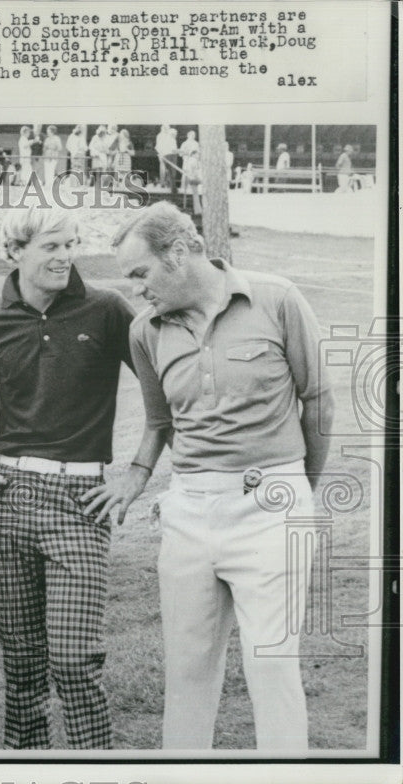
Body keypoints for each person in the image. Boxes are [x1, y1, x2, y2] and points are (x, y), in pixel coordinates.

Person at [104, 201, 333, 751]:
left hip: (271, 506)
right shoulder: (145, 331)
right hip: (189, 511)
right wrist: (138, 473)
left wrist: (298, 489)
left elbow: (318, 402)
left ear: (179, 254)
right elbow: (160, 419)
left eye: (141, 273)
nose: (137, 289)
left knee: (271, 662)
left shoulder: (275, 298)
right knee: (187, 668)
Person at [0, 206, 139, 749]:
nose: (65, 256)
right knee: (24, 667)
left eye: (71, 244)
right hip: (10, 500)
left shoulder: (106, 309)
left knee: (75, 661)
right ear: (15, 252)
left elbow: (161, 390)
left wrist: (135, 475)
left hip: (82, 500)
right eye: (51, 247)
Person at [155, 124, 179, 192]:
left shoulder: (169, 136)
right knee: (164, 169)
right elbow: (158, 146)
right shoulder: (160, 136)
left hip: (170, 154)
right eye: (165, 128)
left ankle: (169, 185)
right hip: (164, 154)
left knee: (170, 170)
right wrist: (160, 154)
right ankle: (163, 184)